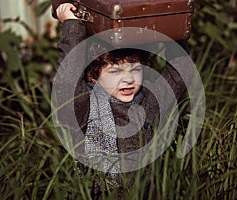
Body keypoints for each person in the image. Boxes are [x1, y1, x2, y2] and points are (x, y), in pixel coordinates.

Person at [54, 2, 192, 199]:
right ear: (94, 76)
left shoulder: (148, 105)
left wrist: (172, 25)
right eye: (115, 71)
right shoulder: (85, 108)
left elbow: (179, 73)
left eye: (135, 69)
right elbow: (67, 79)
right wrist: (72, 25)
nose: (128, 79)